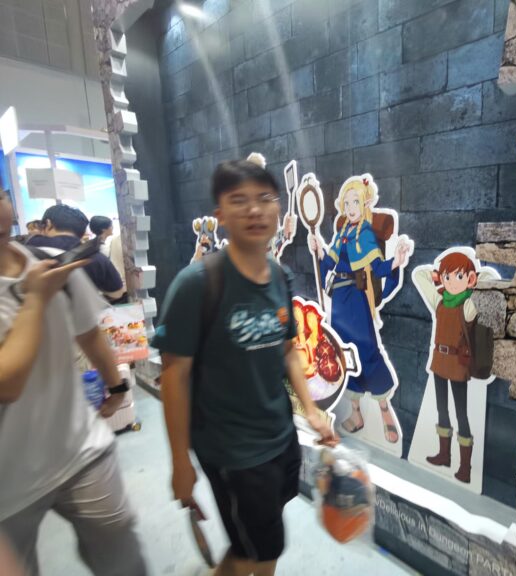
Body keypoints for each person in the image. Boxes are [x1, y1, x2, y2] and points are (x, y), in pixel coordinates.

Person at [154, 153, 336, 576]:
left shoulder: (278, 276)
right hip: (232, 452)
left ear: (278, 208)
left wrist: (311, 410)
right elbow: (174, 377)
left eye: (265, 198)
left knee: (248, 543)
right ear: (219, 214)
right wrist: (180, 463)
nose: (254, 210)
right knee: (264, 550)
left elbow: (287, 351)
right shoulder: (196, 284)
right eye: (239, 200)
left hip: (280, 437)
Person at [0, 190, 147, 575]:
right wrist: (36, 299)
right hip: (7, 485)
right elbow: (7, 383)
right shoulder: (48, 275)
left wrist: (117, 387)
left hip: (80, 448)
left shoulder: (48, 262)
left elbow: (88, 330)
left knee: (122, 555)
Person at [308, 175, 412, 444]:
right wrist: (319, 249)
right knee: (344, 354)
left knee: (367, 351)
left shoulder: (364, 233)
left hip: (357, 299)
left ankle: (384, 409)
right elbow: (328, 264)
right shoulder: (342, 233)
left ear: (364, 203)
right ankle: (356, 414)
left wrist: (396, 262)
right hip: (339, 302)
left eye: (355, 201)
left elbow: (377, 268)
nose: (351, 207)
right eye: (347, 202)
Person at [412, 251, 482, 483]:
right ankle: (445, 455)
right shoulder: (440, 301)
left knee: (461, 413)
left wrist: (473, 279)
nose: (452, 282)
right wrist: (437, 275)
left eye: (458, 276)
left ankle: (465, 467)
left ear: (469, 279)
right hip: (440, 361)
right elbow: (420, 276)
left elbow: (489, 281)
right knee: (442, 409)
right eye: (447, 277)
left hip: (458, 363)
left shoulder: (468, 305)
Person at [28, 205, 126, 303]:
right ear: (82, 230)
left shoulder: (27, 252)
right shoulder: (96, 257)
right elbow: (117, 293)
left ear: (48, 224)